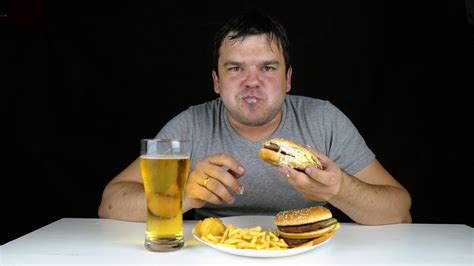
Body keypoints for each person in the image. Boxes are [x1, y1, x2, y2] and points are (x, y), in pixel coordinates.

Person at [98, 11, 412, 225]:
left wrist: (339, 188)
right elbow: (111, 203)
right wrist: (183, 196)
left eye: (267, 68)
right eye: (235, 68)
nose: (252, 81)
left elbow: (400, 210)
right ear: (216, 82)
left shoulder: (324, 120)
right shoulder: (190, 125)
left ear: (288, 79)